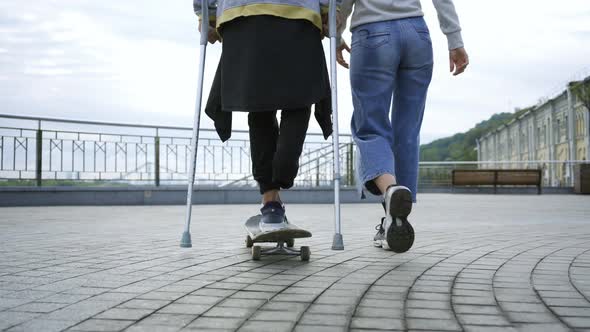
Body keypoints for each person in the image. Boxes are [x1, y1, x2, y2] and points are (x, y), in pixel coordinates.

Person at [193, 0, 339, 231]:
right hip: (299, 13)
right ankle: (284, 168)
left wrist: (206, 15)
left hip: (242, 14)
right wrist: (328, 11)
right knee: (299, 97)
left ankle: (271, 202)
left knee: (259, 106)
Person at [336, 0, 469, 251]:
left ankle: (391, 190)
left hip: (372, 33)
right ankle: (394, 220)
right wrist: (455, 40)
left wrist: (336, 31)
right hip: (417, 34)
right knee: (407, 132)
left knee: (371, 127)